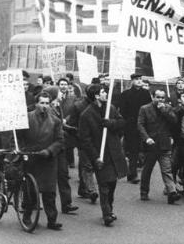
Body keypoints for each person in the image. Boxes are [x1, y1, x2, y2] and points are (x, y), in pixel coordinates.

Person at [78, 84, 127, 227]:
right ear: (96, 96)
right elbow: (85, 140)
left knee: (112, 183)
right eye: (103, 92)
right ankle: (106, 214)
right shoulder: (86, 115)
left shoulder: (110, 108)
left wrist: (111, 123)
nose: (106, 94)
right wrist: (95, 157)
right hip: (100, 155)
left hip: (114, 152)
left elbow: (122, 122)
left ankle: (109, 208)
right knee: (104, 185)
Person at [18, 92, 65, 230]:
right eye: (42, 103)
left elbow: (60, 140)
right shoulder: (27, 118)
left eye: (47, 103)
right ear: (36, 104)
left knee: (49, 192)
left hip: (48, 160)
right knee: (30, 191)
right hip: (31, 158)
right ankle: (27, 216)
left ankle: (52, 220)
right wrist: (21, 149)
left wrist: (49, 151)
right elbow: (19, 137)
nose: (44, 106)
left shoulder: (55, 120)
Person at [137, 89, 181, 204]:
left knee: (167, 169)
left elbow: (174, 121)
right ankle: (144, 191)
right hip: (150, 145)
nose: (160, 100)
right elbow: (140, 125)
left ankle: (172, 192)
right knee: (147, 170)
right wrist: (146, 138)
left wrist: (164, 111)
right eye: (158, 97)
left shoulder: (168, 108)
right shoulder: (144, 109)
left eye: (162, 97)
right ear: (153, 97)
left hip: (164, 144)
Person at [46, 85, 79, 214]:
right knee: (49, 179)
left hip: (60, 148)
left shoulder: (58, 107)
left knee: (63, 175)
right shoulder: (49, 109)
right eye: (59, 92)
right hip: (51, 147)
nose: (61, 93)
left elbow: (61, 124)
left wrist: (70, 129)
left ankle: (67, 203)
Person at [120, 73, 151, 183]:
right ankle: (132, 174)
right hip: (131, 125)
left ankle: (143, 173)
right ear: (132, 81)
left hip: (143, 125)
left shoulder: (146, 93)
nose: (139, 81)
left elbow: (149, 109)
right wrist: (126, 125)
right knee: (133, 150)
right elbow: (122, 112)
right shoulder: (125, 94)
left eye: (140, 79)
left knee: (144, 149)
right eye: (136, 79)